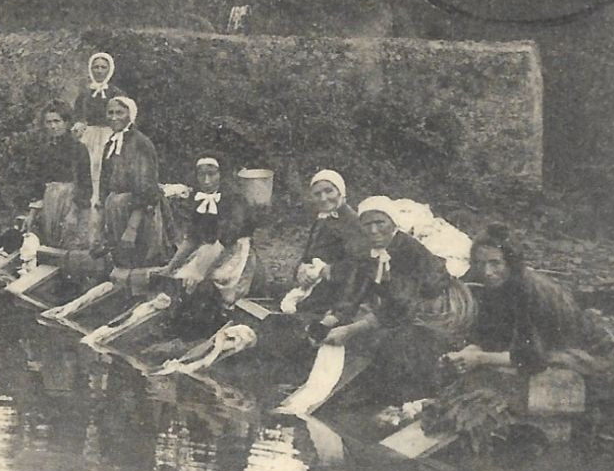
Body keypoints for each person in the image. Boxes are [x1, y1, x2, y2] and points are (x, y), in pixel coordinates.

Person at [314, 196, 474, 400]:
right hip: (399, 301)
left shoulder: (408, 250)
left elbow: (403, 305)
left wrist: (352, 329)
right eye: (367, 224)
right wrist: (329, 321)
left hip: (434, 304)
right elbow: (355, 289)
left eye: (380, 222)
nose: (373, 230)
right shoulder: (368, 251)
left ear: (393, 224)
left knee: (400, 342)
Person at [444, 225, 614, 381]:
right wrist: (467, 353)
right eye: (480, 264)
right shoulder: (490, 286)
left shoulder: (529, 290)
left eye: (495, 263)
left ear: (511, 262)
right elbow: (490, 337)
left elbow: (529, 358)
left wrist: (480, 358)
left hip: (590, 353)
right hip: (541, 350)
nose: (487, 272)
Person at [158, 157, 260, 329]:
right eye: (202, 175)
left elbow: (226, 240)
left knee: (209, 281)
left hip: (234, 250)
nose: (207, 180)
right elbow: (192, 239)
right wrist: (170, 266)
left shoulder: (234, 199)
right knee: (179, 276)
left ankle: (214, 321)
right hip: (209, 249)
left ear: (220, 174)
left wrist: (200, 271)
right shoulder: (198, 199)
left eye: (211, 174)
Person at [280, 169, 368, 314]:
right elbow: (308, 255)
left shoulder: (351, 222)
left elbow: (357, 264)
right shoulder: (322, 220)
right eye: (317, 194)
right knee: (271, 292)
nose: (323, 198)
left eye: (329, 191)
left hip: (337, 289)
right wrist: (301, 270)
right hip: (314, 284)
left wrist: (324, 270)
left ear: (340, 192)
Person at [96, 96, 166, 267]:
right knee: (120, 261)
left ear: (130, 114)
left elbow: (146, 189)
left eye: (119, 112)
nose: (114, 117)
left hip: (137, 213)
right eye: (110, 112)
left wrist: (132, 228)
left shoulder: (140, 143)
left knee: (140, 261)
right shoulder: (111, 144)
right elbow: (104, 183)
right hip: (115, 210)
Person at [30, 101, 91, 248]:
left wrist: (74, 212)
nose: (53, 126)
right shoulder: (43, 150)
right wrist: (32, 213)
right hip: (50, 202)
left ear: (67, 122)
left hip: (71, 203)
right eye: (48, 122)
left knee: (70, 242)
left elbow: (85, 183)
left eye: (57, 121)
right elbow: (38, 183)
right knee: (50, 243)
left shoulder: (78, 148)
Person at [71, 52, 126, 210]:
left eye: (103, 67)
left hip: (110, 133)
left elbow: (123, 114)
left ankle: (105, 200)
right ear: (90, 69)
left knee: (107, 165)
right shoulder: (85, 94)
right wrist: (79, 124)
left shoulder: (116, 93)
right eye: (96, 67)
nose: (99, 71)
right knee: (89, 165)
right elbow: (78, 114)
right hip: (90, 135)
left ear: (109, 69)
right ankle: (89, 200)